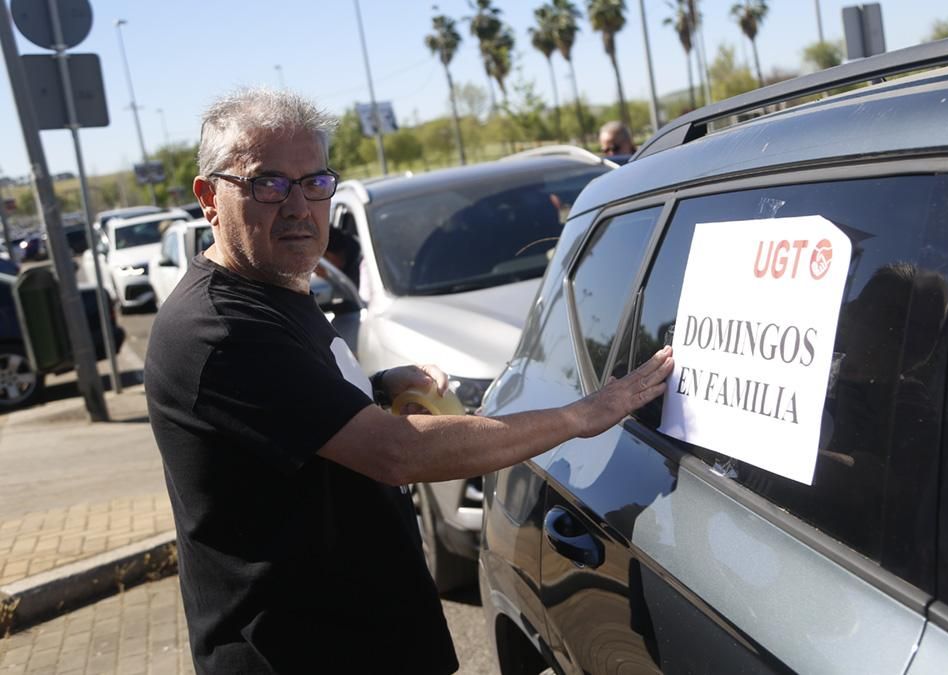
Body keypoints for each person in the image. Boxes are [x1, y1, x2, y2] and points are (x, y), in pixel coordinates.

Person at [144, 88, 673, 675]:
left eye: (315, 182)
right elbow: (398, 454)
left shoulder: (271, 287)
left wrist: (377, 386)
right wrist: (581, 416)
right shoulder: (218, 328)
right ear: (209, 198)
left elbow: (291, 419)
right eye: (267, 183)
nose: (298, 206)